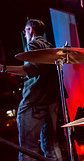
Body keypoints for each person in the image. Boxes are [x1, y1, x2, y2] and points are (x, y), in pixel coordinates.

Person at [0, 19, 63, 161]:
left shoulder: (33, 44)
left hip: (34, 101)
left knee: (28, 149)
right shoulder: (49, 46)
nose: (25, 34)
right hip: (51, 101)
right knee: (51, 146)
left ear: (31, 30)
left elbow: (29, 70)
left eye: (25, 31)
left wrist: (3, 68)